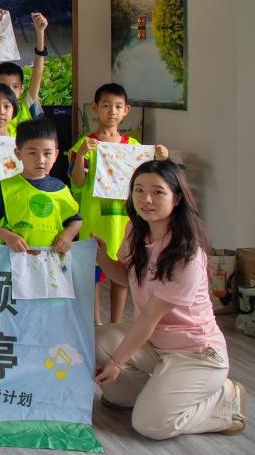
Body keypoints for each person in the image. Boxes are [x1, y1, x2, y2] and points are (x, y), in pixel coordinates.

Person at [94, 160, 246, 439]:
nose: (146, 199)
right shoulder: (135, 231)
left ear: (177, 198)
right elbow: (125, 277)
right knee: (98, 342)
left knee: (150, 425)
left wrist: (116, 363)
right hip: (156, 345)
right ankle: (151, 397)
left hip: (195, 354)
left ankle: (225, 399)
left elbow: (150, 317)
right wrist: (102, 258)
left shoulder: (186, 254)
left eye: (157, 192)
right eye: (139, 190)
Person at [71, 83, 169, 324]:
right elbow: (77, 182)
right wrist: (81, 155)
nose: (112, 111)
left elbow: (150, 179)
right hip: (94, 221)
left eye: (117, 106)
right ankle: (95, 325)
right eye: (106, 105)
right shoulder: (86, 145)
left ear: (126, 110)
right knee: (92, 277)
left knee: (122, 275)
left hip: (125, 223)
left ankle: (116, 325)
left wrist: (162, 160)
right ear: (95, 108)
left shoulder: (134, 147)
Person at [0, 118, 82, 252]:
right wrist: (7, 236)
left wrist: (68, 235)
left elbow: (76, 220)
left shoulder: (60, 189)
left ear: (56, 155)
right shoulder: (5, 188)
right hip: (14, 260)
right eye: (32, 153)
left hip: (52, 260)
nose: (41, 160)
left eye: (47, 153)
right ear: (18, 154)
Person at [0, 10, 49, 132]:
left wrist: (40, 32)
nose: (10, 91)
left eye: (15, 86)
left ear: (22, 89)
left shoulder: (26, 107)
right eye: (4, 86)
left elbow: (38, 71)